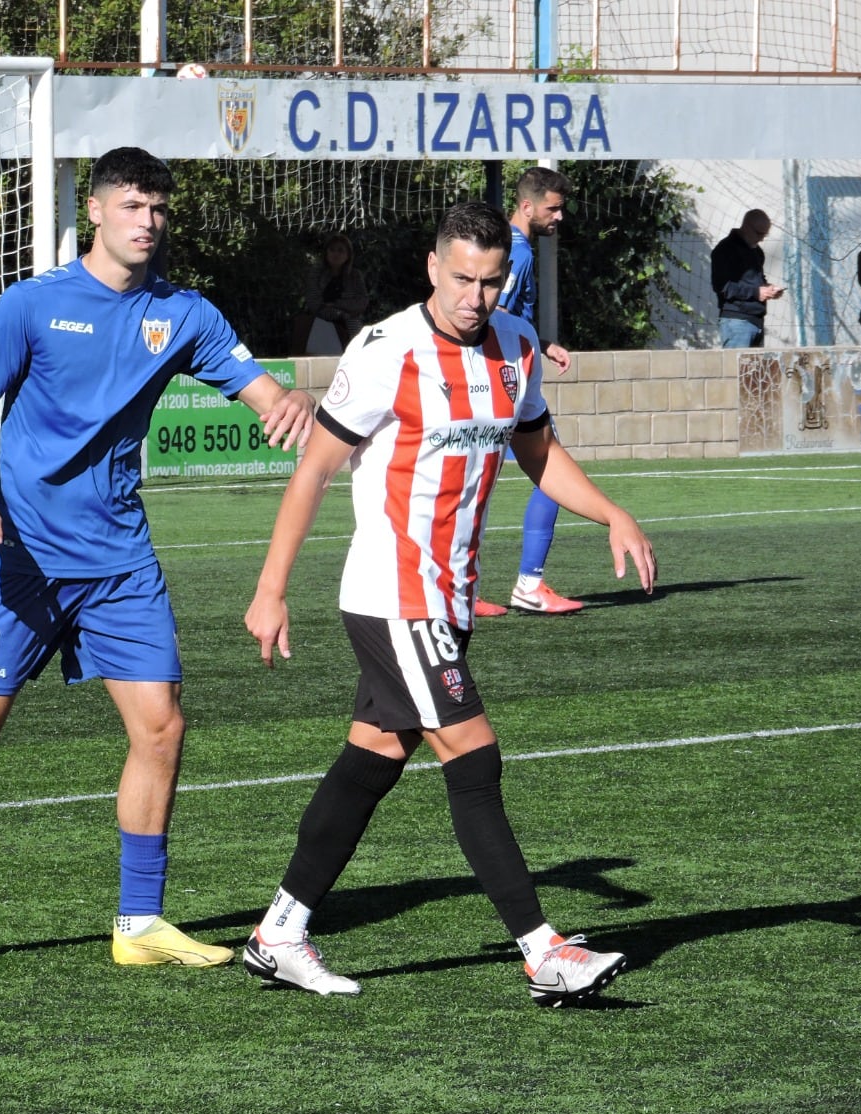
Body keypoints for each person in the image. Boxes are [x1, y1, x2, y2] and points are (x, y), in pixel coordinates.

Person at [0, 147, 316, 977]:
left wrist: (286, 401)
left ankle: (139, 921)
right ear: (98, 213)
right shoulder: (32, 306)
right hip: (25, 563)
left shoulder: (183, 315)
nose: (148, 222)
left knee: (162, 727)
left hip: (119, 563)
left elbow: (262, 394)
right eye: (132, 206)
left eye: (158, 209)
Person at [240, 200, 656, 1006]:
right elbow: (314, 470)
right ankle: (543, 953)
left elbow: (538, 450)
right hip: (393, 593)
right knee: (475, 760)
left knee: (374, 758)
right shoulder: (386, 351)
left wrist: (612, 511)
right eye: (462, 277)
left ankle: (278, 934)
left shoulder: (518, 346)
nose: (476, 295)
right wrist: (270, 590)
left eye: (491, 281)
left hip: (449, 596)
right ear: (433, 268)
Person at [483, 166, 583, 617]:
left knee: (473, 480)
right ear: (528, 206)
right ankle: (529, 583)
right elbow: (489, 315)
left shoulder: (499, 241)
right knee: (551, 473)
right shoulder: (518, 253)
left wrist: (541, 344)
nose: (559, 216)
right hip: (504, 379)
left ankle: (458, 590)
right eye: (553, 208)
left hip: (494, 373)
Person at [711, 209, 784, 349]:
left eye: (765, 234)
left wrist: (768, 289)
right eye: (759, 233)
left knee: (754, 370)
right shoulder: (725, 249)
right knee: (737, 369)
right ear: (747, 227)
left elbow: (755, 282)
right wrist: (757, 292)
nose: (762, 238)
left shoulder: (756, 251)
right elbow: (722, 286)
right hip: (737, 321)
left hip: (756, 320)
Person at [296, 233, 370, 356]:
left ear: (348, 255)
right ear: (326, 253)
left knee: (357, 350)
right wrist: (332, 312)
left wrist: (338, 305)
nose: (336, 254)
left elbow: (362, 301)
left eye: (341, 250)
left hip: (349, 322)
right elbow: (313, 301)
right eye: (332, 250)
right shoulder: (316, 272)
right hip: (320, 322)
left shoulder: (355, 275)